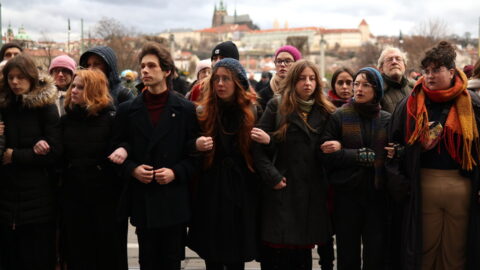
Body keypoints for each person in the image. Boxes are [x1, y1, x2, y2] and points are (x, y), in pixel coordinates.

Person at [386, 41, 480, 270]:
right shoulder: (409, 104)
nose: (429, 76)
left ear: (451, 71)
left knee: (455, 251)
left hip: (461, 185)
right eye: (426, 71)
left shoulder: (472, 103)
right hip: (423, 185)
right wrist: (404, 184)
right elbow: (392, 148)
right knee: (424, 250)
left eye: (436, 70)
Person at [113, 41, 199, 270]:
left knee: (171, 263)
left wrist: (175, 172)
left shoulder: (185, 110)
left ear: (167, 71)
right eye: (142, 66)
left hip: (173, 203)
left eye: (151, 66)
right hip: (144, 202)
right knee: (147, 263)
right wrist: (132, 169)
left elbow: (195, 157)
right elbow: (115, 152)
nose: (145, 71)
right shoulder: (128, 110)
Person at [253, 60, 335, 270]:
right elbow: (258, 148)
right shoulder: (277, 105)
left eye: (311, 78)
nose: (307, 83)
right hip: (282, 188)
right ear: (293, 81)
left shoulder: (326, 111)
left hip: (310, 194)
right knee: (277, 253)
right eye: (301, 78)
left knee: (302, 255)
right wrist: (273, 177)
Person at [188, 58, 267, 270]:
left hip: (241, 191)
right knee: (211, 254)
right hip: (211, 190)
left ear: (238, 82)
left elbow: (259, 155)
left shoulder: (252, 112)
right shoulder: (203, 112)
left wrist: (267, 141)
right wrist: (196, 145)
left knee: (236, 255)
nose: (220, 84)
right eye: (217, 79)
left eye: (226, 79)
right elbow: (188, 148)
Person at [321, 67, 389, 270]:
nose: (358, 89)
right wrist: (360, 155)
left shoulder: (387, 119)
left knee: (375, 254)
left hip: (377, 197)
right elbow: (326, 154)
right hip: (347, 196)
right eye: (356, 84)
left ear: (376, 90)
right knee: (347, 255)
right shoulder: (339, 116)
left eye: (365, 85)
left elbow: (390, 155)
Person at [0, 54, 61, 270]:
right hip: (7, 199)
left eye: (20, 77)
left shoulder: (46, 107)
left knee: (36, 258)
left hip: (39, 201)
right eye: (11, 78)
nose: (15, 82)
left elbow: (54, 153)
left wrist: (14, 155)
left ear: (31, 78)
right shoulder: (4, 107)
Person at [258, 45, 302, 110]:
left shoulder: (304, 92)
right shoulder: (263, 95)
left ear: (297, 64)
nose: (282, 64)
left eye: (287, 61)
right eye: (279, 61)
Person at [377, 46, 412, 114]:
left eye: (398, 59)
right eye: (389, 59)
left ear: (405, 66)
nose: (394, 62)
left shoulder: (415, 88)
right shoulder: (377, 92)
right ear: (381, 68)